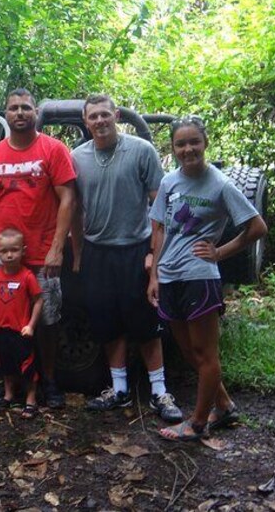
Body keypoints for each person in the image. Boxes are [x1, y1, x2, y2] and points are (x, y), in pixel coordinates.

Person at [148, 116, 267, 441]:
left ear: (205, 143)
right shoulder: (170, 182)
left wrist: (219, 252)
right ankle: (224, 406)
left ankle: (198, 423)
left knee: (205, 354)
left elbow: (256, 227)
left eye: (193, 142)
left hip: (199, 277)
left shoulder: (221, 184)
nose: (188, 149)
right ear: (173, 148)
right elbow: (158, 228)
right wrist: (154, 275)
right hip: (170, 277)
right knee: (188, 351)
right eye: (180, 144)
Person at [70, 94, 183, 422]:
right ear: (86, 121)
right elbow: (75, 209)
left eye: (105, 114)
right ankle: (118, 389)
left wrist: (154, 256)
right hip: (96, 251)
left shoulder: (141, 151)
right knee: (108, 323)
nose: (100, 121)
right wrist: (77, 253)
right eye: (93, 117)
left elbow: (159, 207)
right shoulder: (77, 157)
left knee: (146, 324)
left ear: (116, 115)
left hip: (135, 250)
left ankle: (160, 392)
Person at [0, 88, 76, 409]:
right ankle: (11, 382)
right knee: (1, 320)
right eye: (14, 108)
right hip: (0, 255)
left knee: (45, 321)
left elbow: (68, 199)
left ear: (36, 113)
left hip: (41, 254)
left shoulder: (53, 150)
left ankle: (48, 380)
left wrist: (58, 247)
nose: (20, 113)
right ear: (6, 114)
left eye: (26, 108)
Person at [0, 228, 43, 419]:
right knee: (6, 364)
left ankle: (31, 399)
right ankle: (8, 395)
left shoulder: (27, 276)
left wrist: (31, 326)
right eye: (4, 251)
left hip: (21, 331)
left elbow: (38, 300)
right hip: (2, 330)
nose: (9, 255)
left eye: (14, 250)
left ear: (23, 250)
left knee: (27, 366)